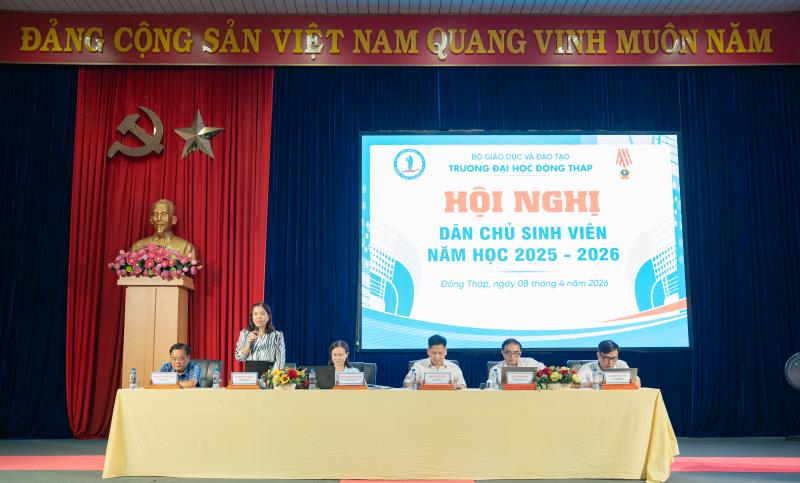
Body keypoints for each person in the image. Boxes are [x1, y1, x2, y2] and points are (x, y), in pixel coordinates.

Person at [131, 199, 196, 257]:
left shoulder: (186, 248)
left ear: (173, 220)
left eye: (164, 214)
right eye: (155, 214)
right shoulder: (137, 246)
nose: (159, 219)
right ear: (151, 220)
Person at [234, 302, 286, 376]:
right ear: (252, 317)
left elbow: (280, 360)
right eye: (255, 314)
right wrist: (248, 344)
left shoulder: (277, 335)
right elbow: (238, 357)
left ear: (268, 317)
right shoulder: (244, 333)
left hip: (270, 374)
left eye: (262, 314)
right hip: (250, 375)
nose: (258, 317)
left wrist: (273, 377)